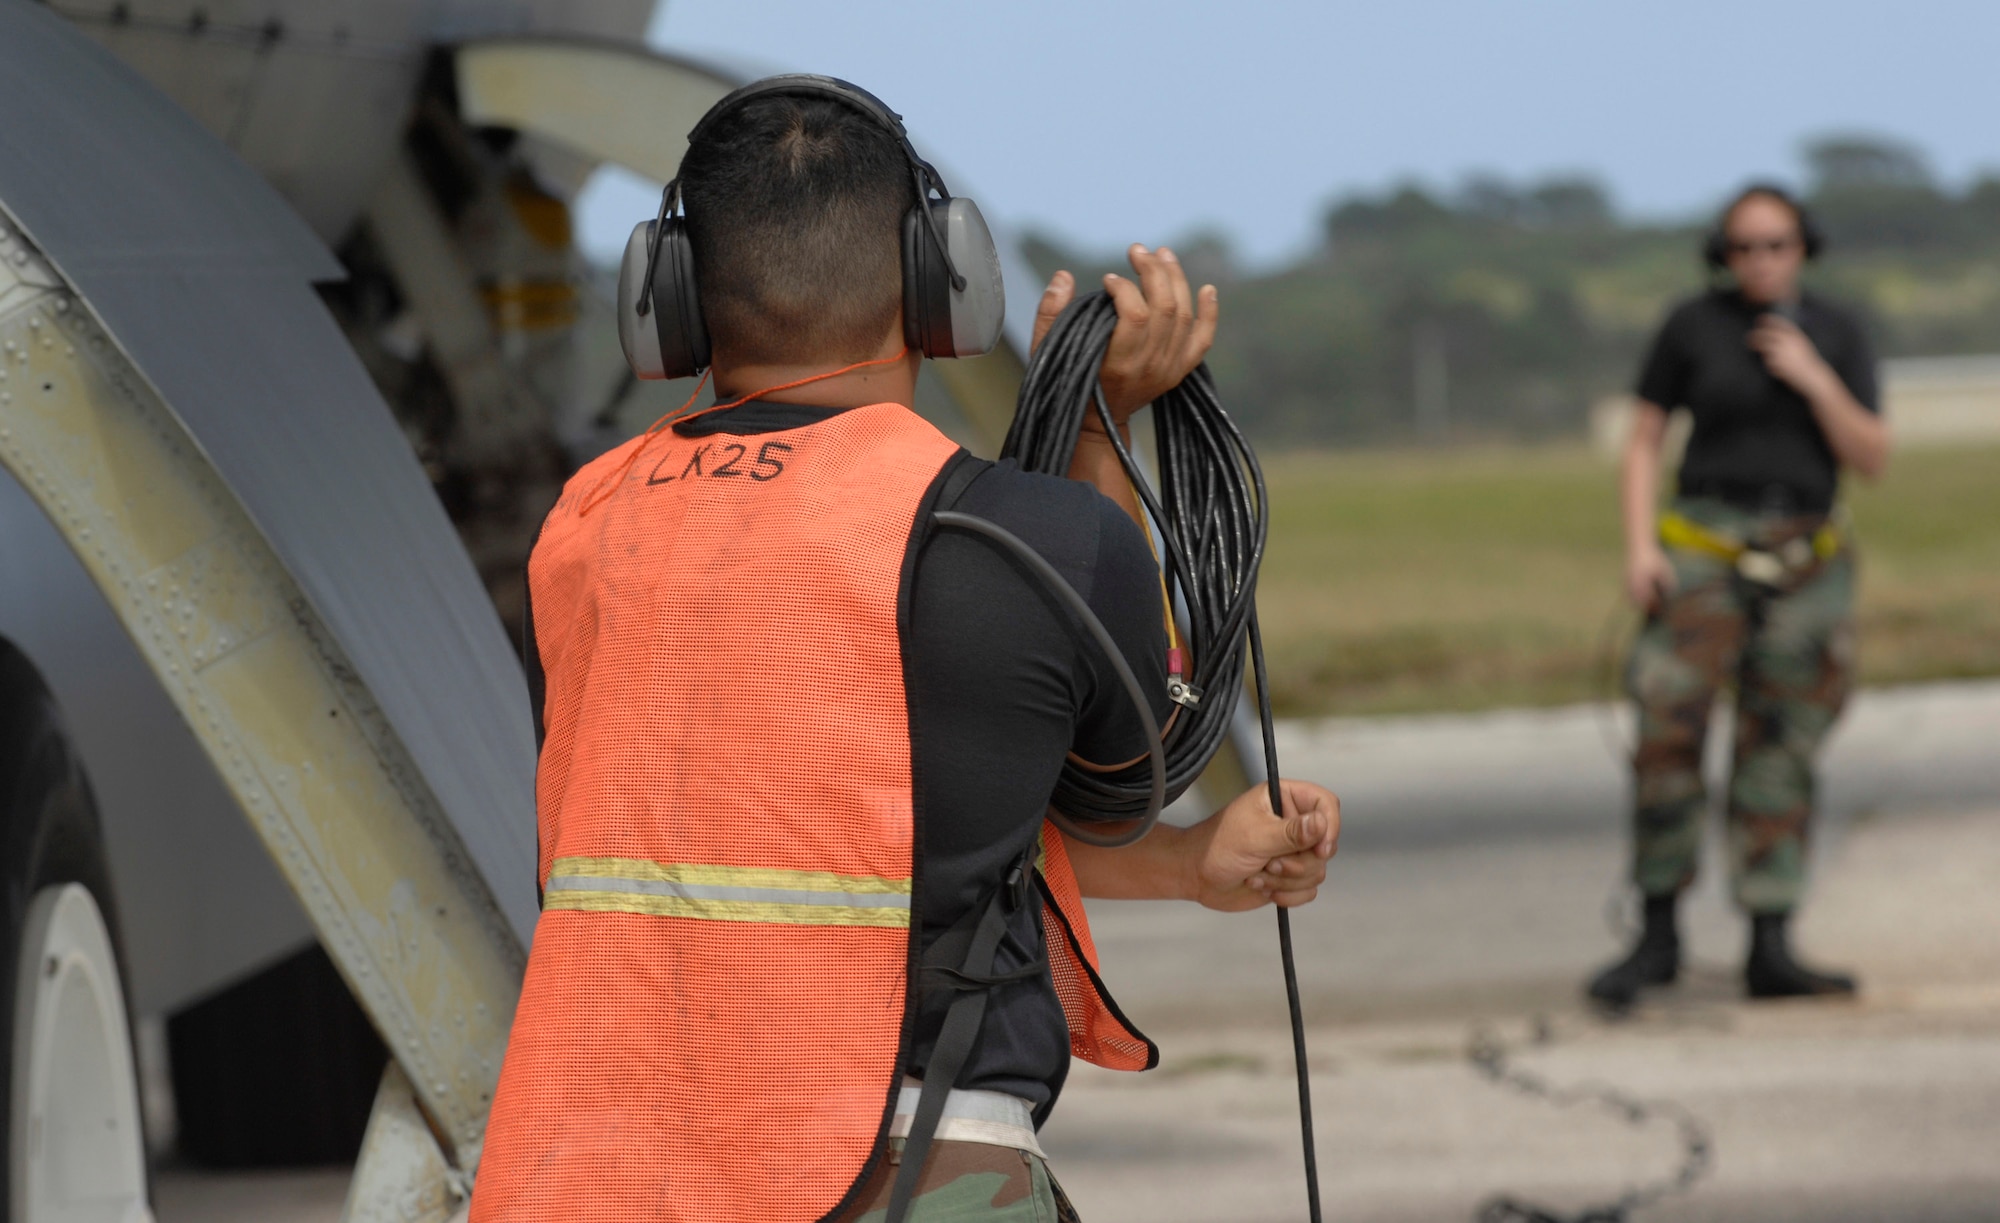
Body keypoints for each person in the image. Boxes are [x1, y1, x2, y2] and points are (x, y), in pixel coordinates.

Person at [468, 78, 1339, 1222]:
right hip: (896, 1160)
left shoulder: (585, 531)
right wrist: (1090, 430)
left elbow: (792, 849)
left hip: (595, 1167)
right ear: (945, 283)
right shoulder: (1032, 541)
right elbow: (1125, 773)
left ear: (668, 298)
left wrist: (1183, 868)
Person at [1588, 184, 1890, 1010]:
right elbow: (1645, 438)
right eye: (1745, 246)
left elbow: (1873, 455)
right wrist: (1641, 545)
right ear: (1723, 253)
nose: (1760, 260)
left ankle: (1770, 941)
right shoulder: (1692, 326)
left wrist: (1814, 377)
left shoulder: (1837, 331)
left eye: (1777, 244)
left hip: (1805, 554)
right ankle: (1656, 936)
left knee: (1781, 741)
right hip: (1704, 551)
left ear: (1805, 247)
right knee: (1668, 732)